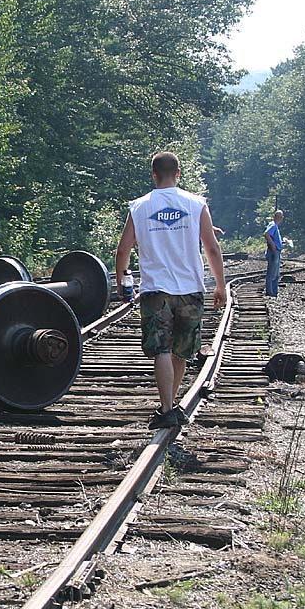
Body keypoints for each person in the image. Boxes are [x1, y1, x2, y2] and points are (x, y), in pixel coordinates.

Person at [115, 151, 227, 430]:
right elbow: (212, 248)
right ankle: (171, 405)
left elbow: (123, 248)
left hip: (156, 290)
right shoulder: (196, 204)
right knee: (181, 352)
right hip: (191, 288)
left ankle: (166, 408)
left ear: (153, 174)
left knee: (162, 350)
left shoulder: (139, 207)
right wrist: (220, 285)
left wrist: (121, 279)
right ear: (178, 174)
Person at [263, 210, 284, 296]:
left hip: (275, 252)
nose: (282, 218)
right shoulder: (273, 225)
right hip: (273, 252)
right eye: (281, 216)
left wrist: (281, 242)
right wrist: (274, 247)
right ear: (278, 217)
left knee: (275, 273)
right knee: (272, 273)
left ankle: (274, 292)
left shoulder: (275, 226)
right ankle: (271, 292)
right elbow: (266, 234)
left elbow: (272, 237)